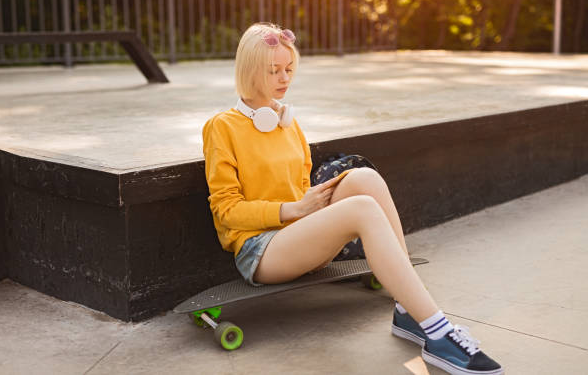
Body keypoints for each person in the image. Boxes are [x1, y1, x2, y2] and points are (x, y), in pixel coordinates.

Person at [202, 22, 503, 375]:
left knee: (364, 178)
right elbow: (226, 210)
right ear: (250, 70)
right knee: (361, 209)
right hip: (261, 250)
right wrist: (293, 210)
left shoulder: (288, 123)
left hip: (299, 234)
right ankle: (438, 334)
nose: (284, 78)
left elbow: (300, 186)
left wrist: (307, 205)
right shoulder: (221, 127)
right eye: (274, 71)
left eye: (289, 69)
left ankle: (407, 311)